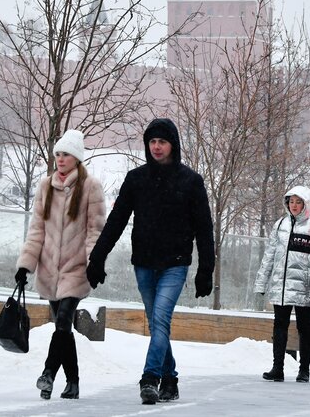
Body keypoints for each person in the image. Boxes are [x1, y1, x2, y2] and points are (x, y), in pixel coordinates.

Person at [85, 117, 215, 405]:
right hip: (143, 263)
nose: (156, 147)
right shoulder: (136, 179)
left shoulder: (191, 182)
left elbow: (204, 228)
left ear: (173, 145)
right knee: (159, 326)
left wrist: (206, 269)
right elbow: (116, 220)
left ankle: (150, 379)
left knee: (159, 319)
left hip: (175, 263)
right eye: (152, 142)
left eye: (162, 142)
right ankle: (170, 378)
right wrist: (97, 257)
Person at [14, 129, 106, 400]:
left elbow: (95, 231)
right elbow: (37, 230)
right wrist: (25, 266)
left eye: (65, 154)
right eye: (57, 154)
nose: (60, 159)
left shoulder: (91, 187)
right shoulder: (46, 187)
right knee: (62, 329)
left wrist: (94, 264)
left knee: (64, 320)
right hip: (49, 270)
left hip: (77, 269)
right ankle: (73, 383)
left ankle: (48, 374)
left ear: (77, 157)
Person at [253, 185, 310, 383]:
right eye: (291, 201)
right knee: (279, 327)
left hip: (304, 289)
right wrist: (261, 282)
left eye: (298, 202)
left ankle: (304, 370)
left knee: (304, 329)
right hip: (281, 287)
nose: (294, 205)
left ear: (306, 204)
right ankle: (278, 368)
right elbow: (269, 255)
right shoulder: (279, 225)